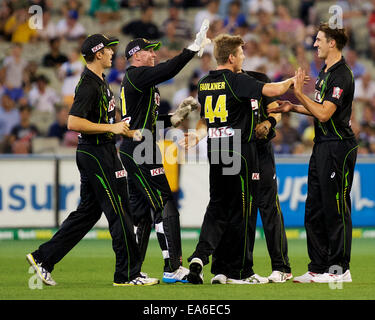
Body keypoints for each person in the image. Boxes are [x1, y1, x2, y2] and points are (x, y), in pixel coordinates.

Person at [26, 34, 159, 287]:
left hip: (99, 151)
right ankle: (127, 275)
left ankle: (43, 258)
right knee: (121, 211)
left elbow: (108, 124)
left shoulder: (99, 80)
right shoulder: (89, 83)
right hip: (97, 153)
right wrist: (112, 130)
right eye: (109, 49)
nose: (112, 53)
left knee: (88, 213)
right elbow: (73, 122)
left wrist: (126, 131)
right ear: (98, 54)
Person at [179, 34, 300, 285]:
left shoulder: (204, 82)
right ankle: (241, 271)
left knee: (219, 206)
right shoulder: (240, 81)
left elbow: (209, 117)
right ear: (232, 57)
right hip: (240, 150)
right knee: (244, 210)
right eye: (241, 53)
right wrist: (293, 80)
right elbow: (274, 91)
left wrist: (200, 136)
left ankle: (202, 257)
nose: (244, 56)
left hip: (218, 149)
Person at [118, 21, 211, 283]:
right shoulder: (137, 75)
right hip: (141, 148)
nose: (154, 54)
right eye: (150, 51)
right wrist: (192, 49)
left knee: (141, 215)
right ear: (136, 55)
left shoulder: (139, 82)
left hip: (136, 146)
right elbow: (167, 69)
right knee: (165, 204)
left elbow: (148, 121)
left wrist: (175, 116)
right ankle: (173, 267)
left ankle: (130, 271)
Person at [270, 23, 358, 283]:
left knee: (336, 207)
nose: (315, 44)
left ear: (332, 43)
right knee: (315, 208)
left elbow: (324, 113)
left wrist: (298, 93)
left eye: (319, 40)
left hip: (338, 146)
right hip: (322, 145)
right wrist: (292, 106)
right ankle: (318, 267)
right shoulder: (326, 72)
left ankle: (339, 270)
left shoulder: (342, 74)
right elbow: (317, 108)